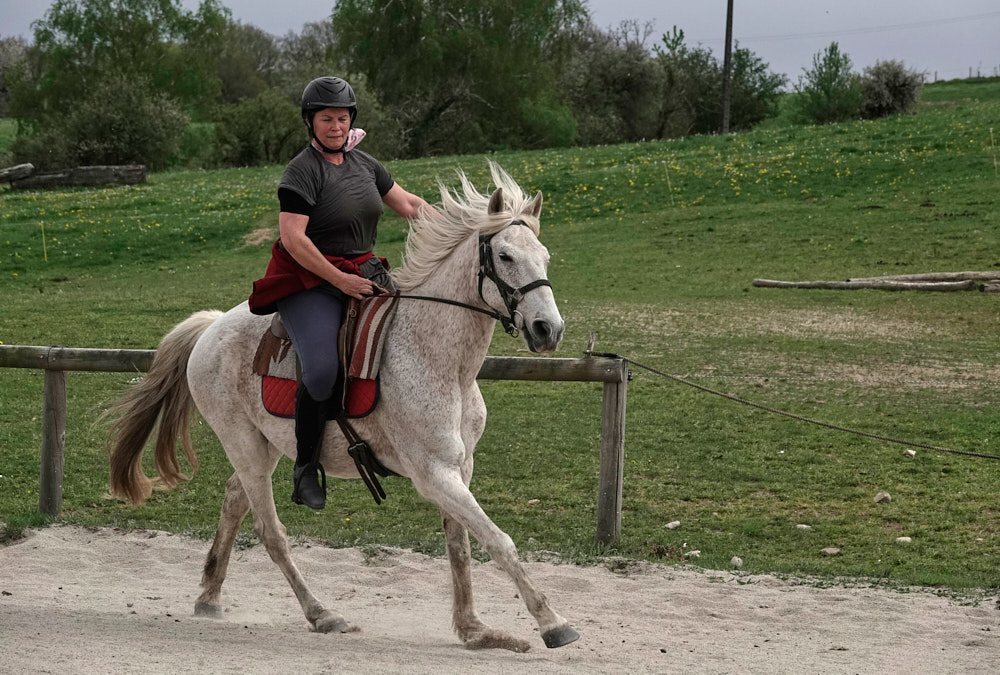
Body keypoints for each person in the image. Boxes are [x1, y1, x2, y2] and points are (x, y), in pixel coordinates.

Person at [248, 76, 431, 510]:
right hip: (309, 280)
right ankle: (305, 467)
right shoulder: (301, 172)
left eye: (342, 118)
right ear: (310, 122)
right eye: (327, 118)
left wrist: (467, 227)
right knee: (322, 370)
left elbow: (408, 205)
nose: (335, 125)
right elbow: (294, 239)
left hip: (364, 271)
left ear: (352, 121)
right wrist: (340, 280)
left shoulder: (366, 164)